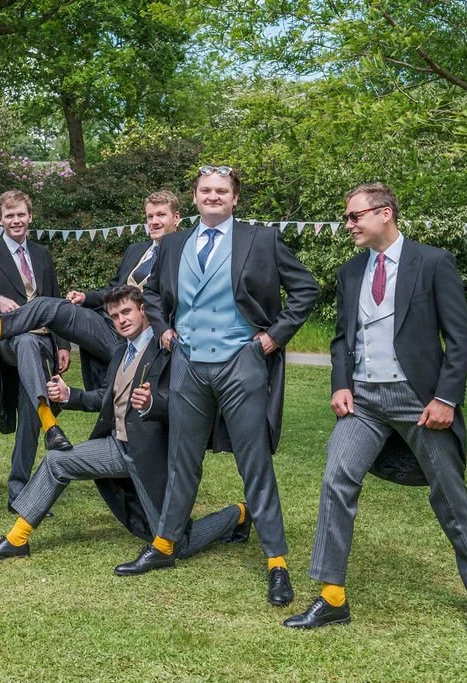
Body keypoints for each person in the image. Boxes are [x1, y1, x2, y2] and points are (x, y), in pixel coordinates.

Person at [284, 182, 467, 633]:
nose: (348, 224)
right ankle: (332, 596)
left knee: (448, 492)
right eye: (346, 217)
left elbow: (459, 337)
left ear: (385, 213)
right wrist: (341, 384)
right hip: (363, 400)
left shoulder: (433, 262)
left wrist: (445, 398)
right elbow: (341, 338)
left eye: (354, 215)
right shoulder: (349, 272)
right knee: (337, 477)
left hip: (418, 399)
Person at [116, 165, 319, 609]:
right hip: (188, 365)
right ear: (194, 197)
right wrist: (164, 329)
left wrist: (272, 338)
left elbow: (306, 289)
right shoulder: (173, 244)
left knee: (254, 463)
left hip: (241, 364)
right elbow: (152, 294)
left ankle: (277, 561)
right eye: (206, 190)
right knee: (181, 460)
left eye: (221, 191)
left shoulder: (261, 240)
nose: (213, 196)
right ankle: (164, 545)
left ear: (234, 198)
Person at [0, 285, 249, 564]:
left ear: (144, 311)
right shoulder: (120, 353)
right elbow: (107, 396)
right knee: (57, 461)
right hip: (117, 447)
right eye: (115, 316)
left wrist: (152, 403)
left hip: (151, 456)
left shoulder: (166, 350)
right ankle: (17, 539)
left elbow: (188, 405)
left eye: (127, 312)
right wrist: (70, 395)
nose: (122, 320)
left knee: (177, 545)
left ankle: (239, 514)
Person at [0, 190, 182, 390]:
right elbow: (114, 290)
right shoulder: (136, 250)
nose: (154, 221)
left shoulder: (182, 255)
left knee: (45, 304)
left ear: (177, 218)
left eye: (161, 215)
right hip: (109, 327)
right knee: (50, 305)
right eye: (150, 216)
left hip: (144, 337)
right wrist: (85, 297)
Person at [0, 190, 73, 511]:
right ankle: (51, 423)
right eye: (10, 215)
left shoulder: (42, 254)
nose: (16, 220)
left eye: (21, 214)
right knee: (25, 341)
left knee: (29, 413)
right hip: (9, 342)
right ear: (0, 220)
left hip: (44, 343)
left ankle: (19, 493)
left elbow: (55, 301)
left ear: (30, 217)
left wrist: (63, 343)